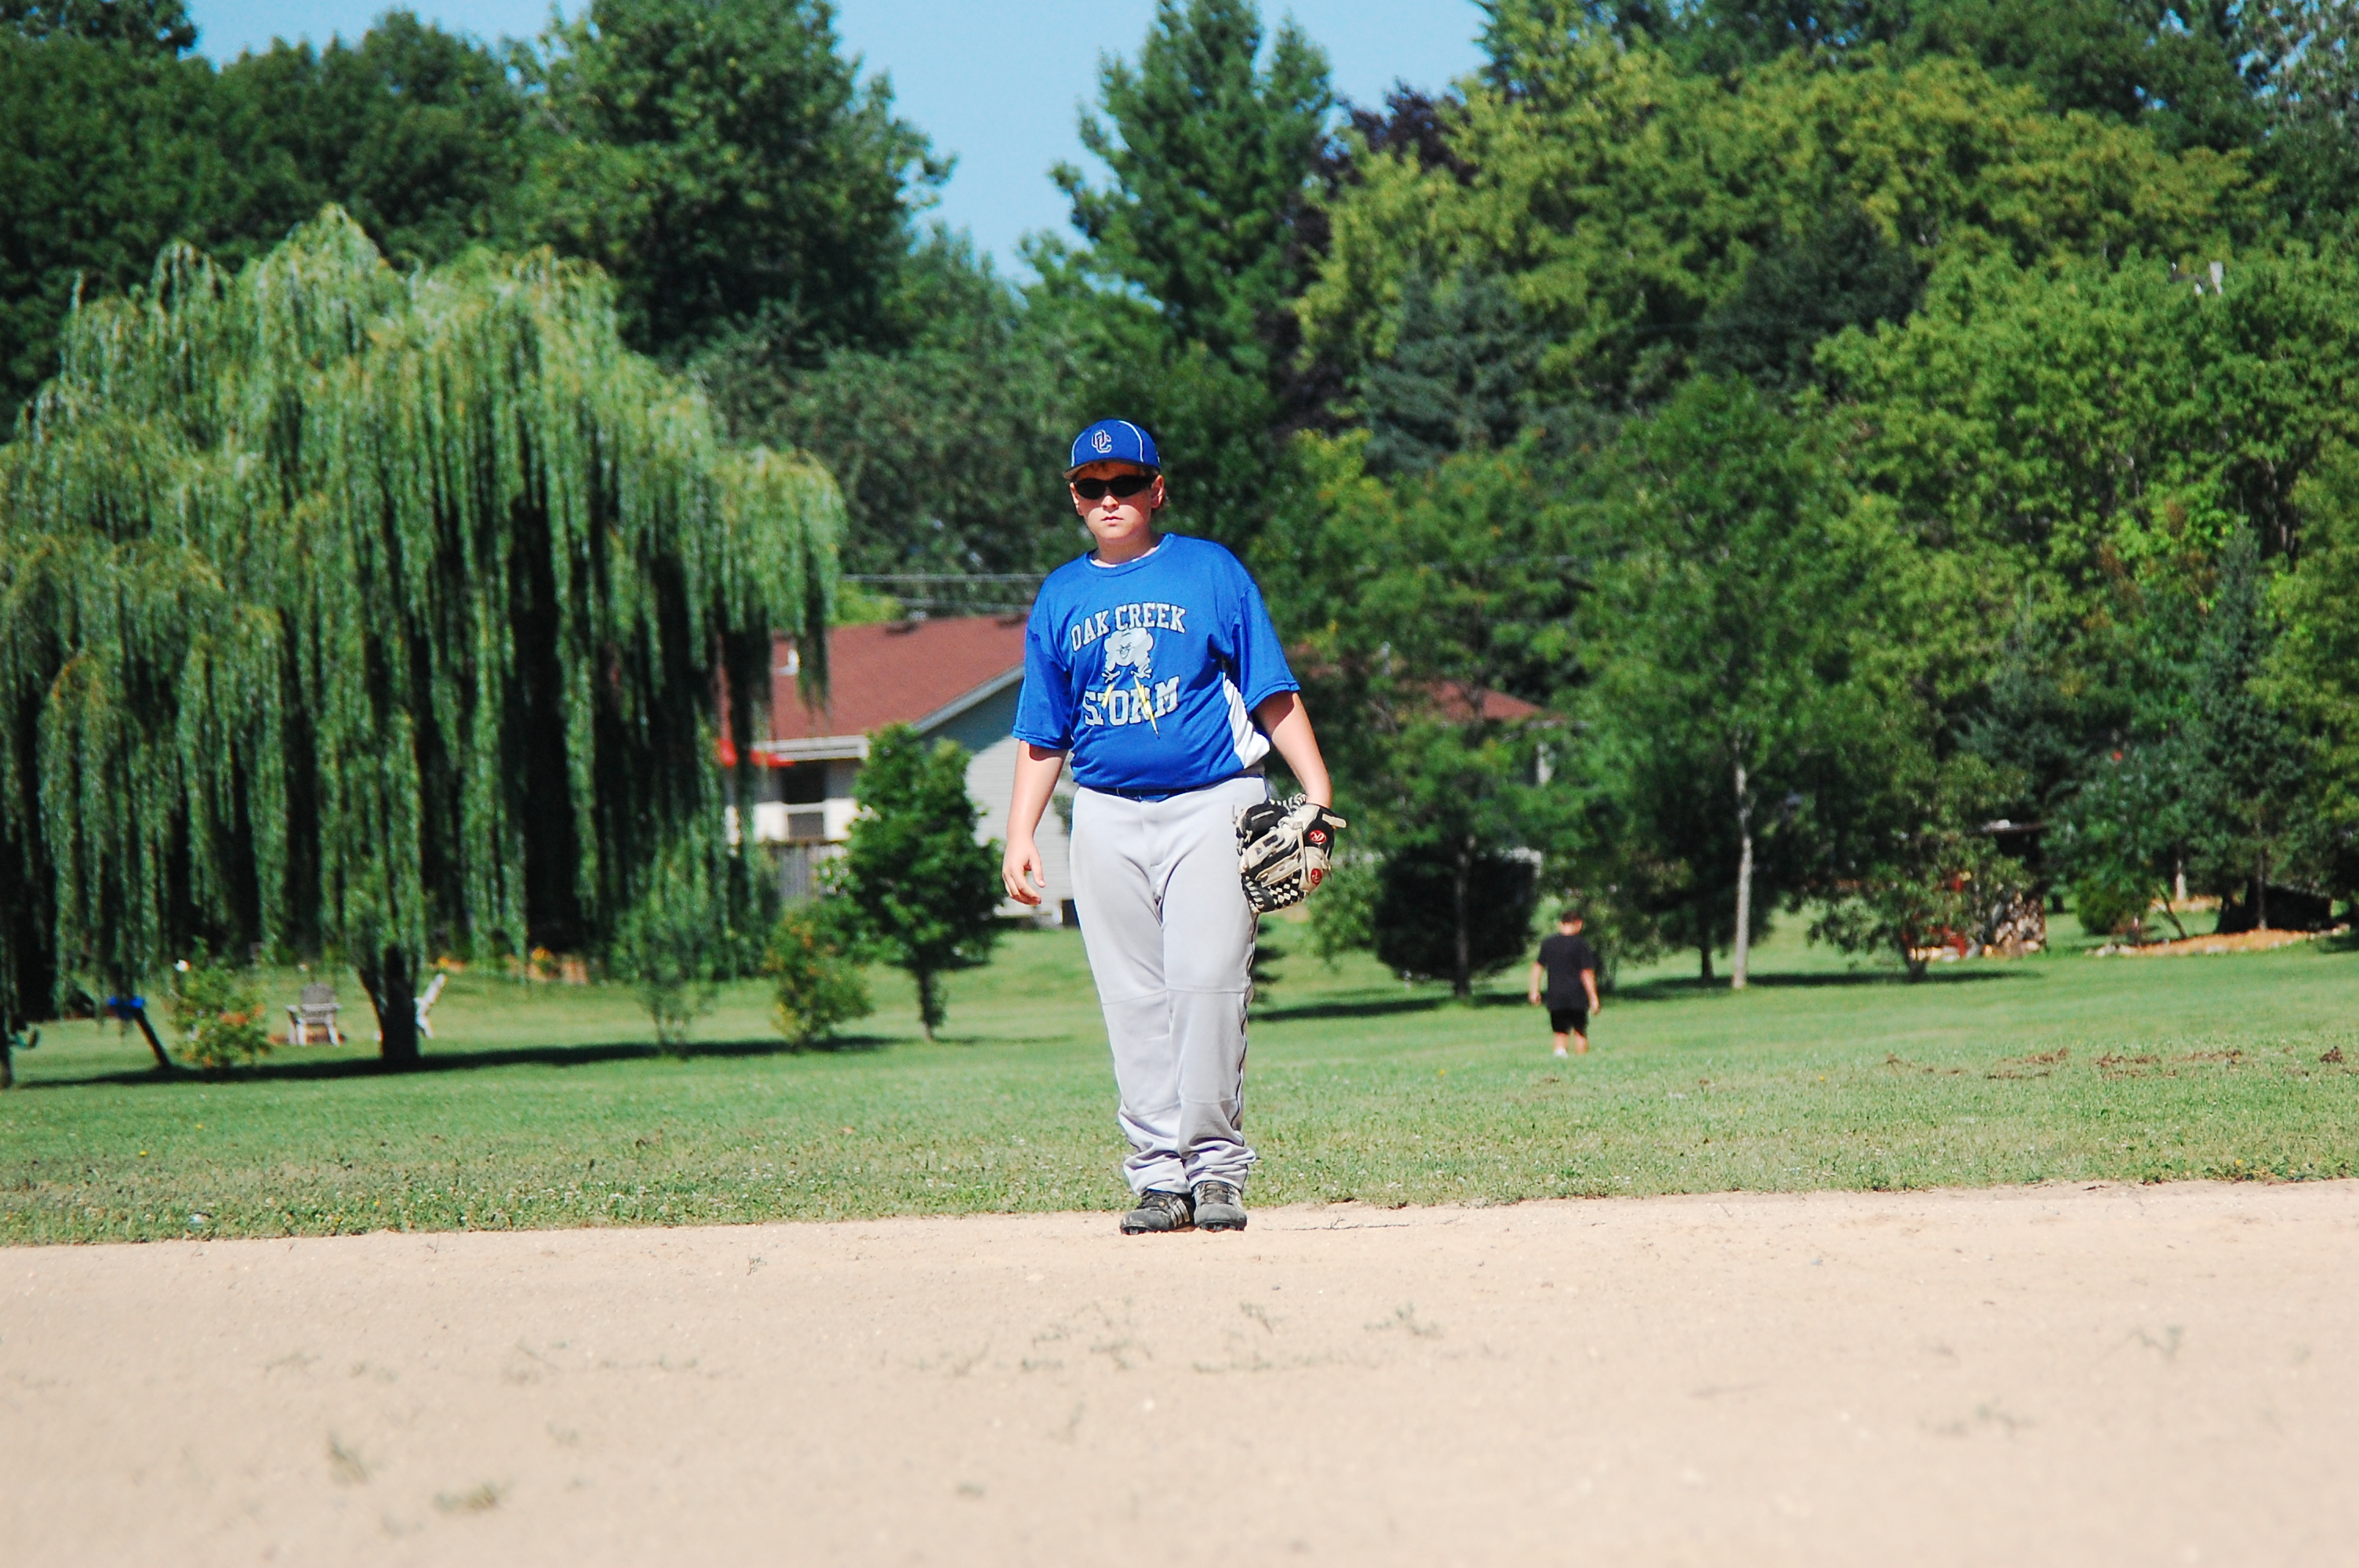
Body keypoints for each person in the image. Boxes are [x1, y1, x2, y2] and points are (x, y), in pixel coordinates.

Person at [1002, 419, 1336, 1236]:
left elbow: (1270, 690)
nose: (1109, 498)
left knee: (1208, 985)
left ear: (1156, 490)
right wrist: (1019, 832)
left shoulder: (1210, 570)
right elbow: (1043, 731)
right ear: (1075, 498)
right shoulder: (1061, 595)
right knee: (1132, 1001)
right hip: (1105, 811)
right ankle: (1159, 1179)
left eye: (1125, 482)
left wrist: (1317, 794)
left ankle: (1215, 1170)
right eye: (1092, 486)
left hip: (1212, 801)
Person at [1528, 910, 1601, 1058]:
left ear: (1561, 924)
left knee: (1560, 1031)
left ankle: (1560, 1055)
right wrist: (1593, 998)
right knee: (1579, 1030)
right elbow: (1586, 973)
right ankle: (1581, 1059)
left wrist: (1534, 990)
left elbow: (1537, 967)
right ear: (1579, 924)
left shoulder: (1549, 943)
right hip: (1576, 994)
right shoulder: (1581, 944)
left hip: (1555, 994)